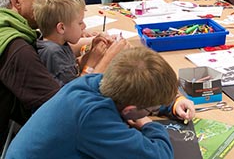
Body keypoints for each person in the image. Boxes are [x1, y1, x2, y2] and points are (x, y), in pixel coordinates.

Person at [6, 46, 196, 158]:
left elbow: (139, 92)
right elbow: (159, 155)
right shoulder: (94, 118)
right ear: (129, 110)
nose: (151, 113)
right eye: (150, 110)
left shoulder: (93, 82)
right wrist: (147, 123)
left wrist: (171, 104)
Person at [0, 0, 59, 148]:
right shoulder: (15, 48)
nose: (47, 2)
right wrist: (93, 66)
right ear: (16, 0)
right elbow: (60, 106)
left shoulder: (8, 30)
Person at [33, 0, 118, 85]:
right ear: (61, 28)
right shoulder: (53, 53)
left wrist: (91, 52)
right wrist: (92, 62)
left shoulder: (59, 43)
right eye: (80, 23)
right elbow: (75, 90)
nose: (84, 26)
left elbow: (74, 68)